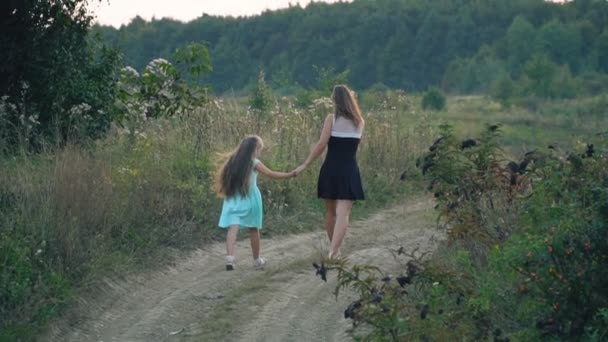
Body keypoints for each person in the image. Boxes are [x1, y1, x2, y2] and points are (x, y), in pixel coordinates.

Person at [294, 85, 365, 259]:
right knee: (343, 213)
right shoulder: (360, 122)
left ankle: (334, 250)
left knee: (331, 212)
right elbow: (355, 147)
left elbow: (321, 144)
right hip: (349, 170)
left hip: (331, 169)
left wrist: (305, 163)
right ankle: (334, 251)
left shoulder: (331, 119)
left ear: (335, 100)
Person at [214, 135, 296, 270]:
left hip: (233, 198)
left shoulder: (232, 160)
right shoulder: (254, 162)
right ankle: (257, 260)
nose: (260, 152)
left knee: (232, 228)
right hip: (250, 198)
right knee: (253, 229)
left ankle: (229, 258)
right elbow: (271, 174)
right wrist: (289, 175)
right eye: (260, 149)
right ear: (254, 149)